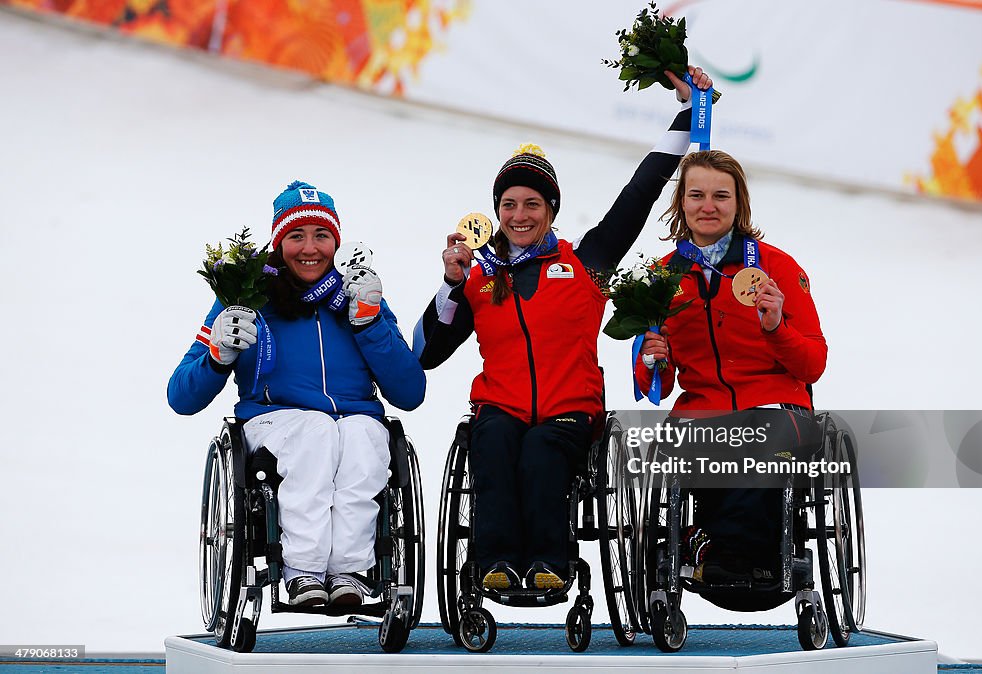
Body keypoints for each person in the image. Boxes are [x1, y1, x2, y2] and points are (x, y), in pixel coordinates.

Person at [414, 68, 714, 591]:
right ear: (496, 212)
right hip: (500, 406)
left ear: (551, 210)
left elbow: (640, 191)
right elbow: (425, 354)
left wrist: (690, 114)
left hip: (569, 410)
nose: (520, 215)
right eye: (509, 205)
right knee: (495, 446)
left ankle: (550, 562)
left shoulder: (586, 263)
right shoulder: (479, 276)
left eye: (532, 204)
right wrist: (450, 286)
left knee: (541, 453)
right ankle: (495, 563)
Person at [168, 180, 426, 607]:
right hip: (273, 420)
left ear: (336, 243)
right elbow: (181, 396)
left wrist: (370, 323)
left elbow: (410, 392)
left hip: (354, 419)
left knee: (363, 434)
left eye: (321, 235)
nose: (310, 248)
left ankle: (349, 571)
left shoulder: (358, 293)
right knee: (316, 429)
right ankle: (304, 570)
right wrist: (217, 354)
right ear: (278, 242)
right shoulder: (247, 295)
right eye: (296, 236)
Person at [636, 149, 827, 585]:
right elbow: (656, 386)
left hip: (774, 405)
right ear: (681, 202)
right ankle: (729, 553)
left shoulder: (776, 267)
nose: (708, 206)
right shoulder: (663, 276)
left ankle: (718, 549)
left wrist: (776, 328)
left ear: (739, 203)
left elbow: (813, 364)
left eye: (721, 196)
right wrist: (653, 359)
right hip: (700, 410)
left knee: (753, 443)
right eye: (697, 195)